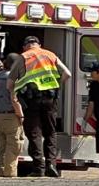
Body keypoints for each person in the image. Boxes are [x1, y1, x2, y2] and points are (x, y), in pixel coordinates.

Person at [14, 36, 70, 178]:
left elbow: (10, 84)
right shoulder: (50, 55)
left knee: (35, 134)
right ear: (39, 45)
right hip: (50, 100)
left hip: (31, 101)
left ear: (25, 46)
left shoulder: (23, 57)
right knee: (50, 132)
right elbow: (67, 74)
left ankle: (38, 168)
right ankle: (51, 165)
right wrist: (56, 85)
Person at [0, 52, 25, 177]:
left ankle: (1, 171)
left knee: (2, 147)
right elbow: (14, 99)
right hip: (11, 116)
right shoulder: (13, 78)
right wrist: (21, 114)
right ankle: (10, 174)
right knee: (13, 146)